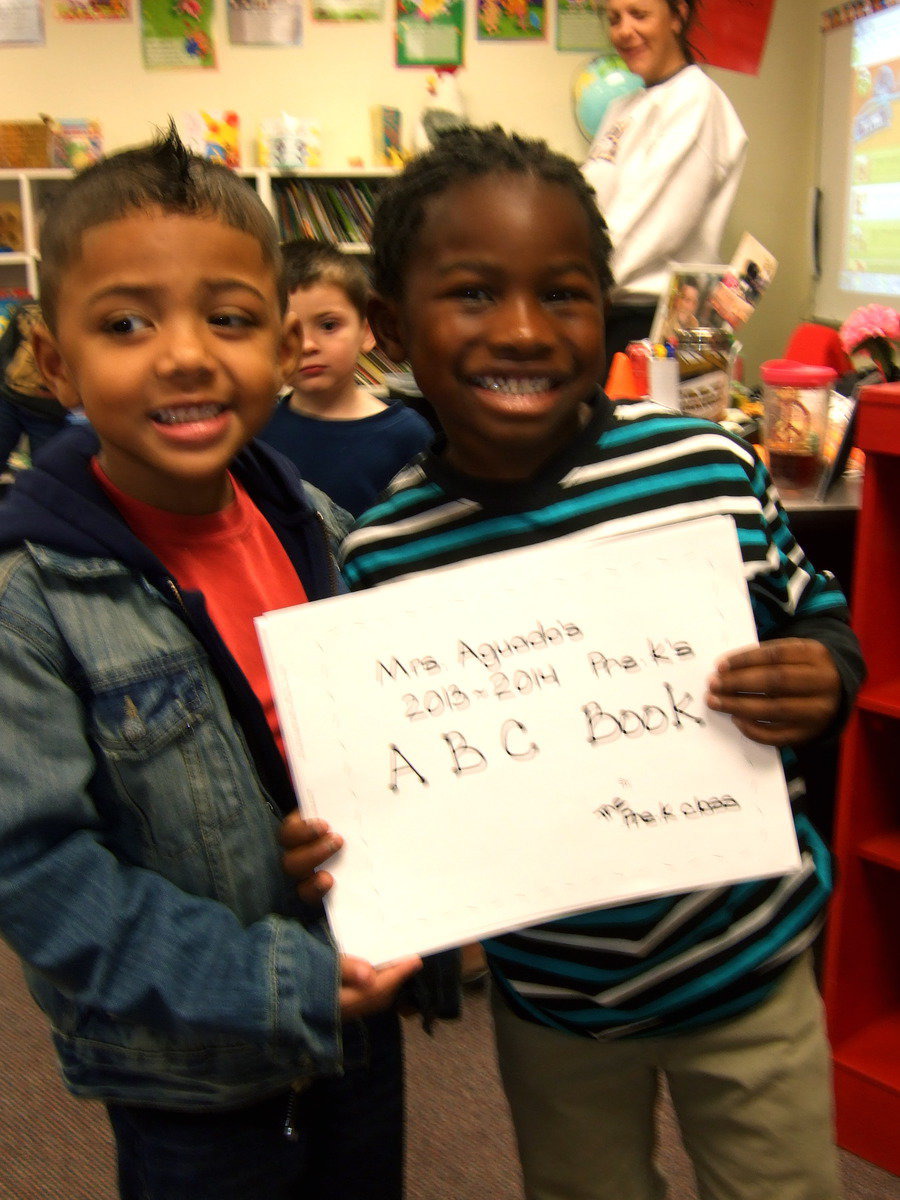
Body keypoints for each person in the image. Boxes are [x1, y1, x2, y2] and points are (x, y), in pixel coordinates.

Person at [283, 126, 864, 1200]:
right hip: (556, 997)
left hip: (747, 964)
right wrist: (342, 844)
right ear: (392, 328)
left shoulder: (705, 468)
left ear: (610, 311)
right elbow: (390, 780)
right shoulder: (383, 553)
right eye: (471, 294)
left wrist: (823, 674)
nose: (523, 330)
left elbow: (817, 614)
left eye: (564, 294)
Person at [0, 127, 426, 1200]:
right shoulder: (30, 597)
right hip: (193, 1074)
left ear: (283, 351)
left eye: (229, 319)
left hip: (357, 1022)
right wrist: (278, 979)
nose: (186, 353)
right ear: (56, 362)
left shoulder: (318, 529)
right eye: (127, 322)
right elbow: (39, 876)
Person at [583, 0, 748, 363]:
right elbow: (587, 206)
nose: (624, 30)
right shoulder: (621, 108)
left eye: (639, 14)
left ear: (678, 16)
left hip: (650, 325)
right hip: (605, 311)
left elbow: (646, 229)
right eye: (614, 19)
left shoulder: (696, 100)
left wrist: (571, 287)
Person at [257, 238, 434, 516]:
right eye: (288, 332)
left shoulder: (409, 435)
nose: (307, 345)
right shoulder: (258, 432)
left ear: (367, 331)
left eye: (328, 325)